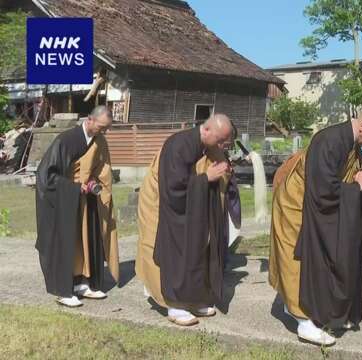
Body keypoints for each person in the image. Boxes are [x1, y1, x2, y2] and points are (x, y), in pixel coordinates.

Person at [269, 109, 362, 346]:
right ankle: (305, 322)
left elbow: (342, 175)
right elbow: (324, 191)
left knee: (314, 260)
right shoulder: (330, 140)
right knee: (298, 259)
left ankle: (292, 306)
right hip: (296, 205)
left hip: (311, 203)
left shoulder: (350, 141)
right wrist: (356, 186)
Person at [136, 114, 241, 326]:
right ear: (207, 130)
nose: (222, 146)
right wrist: (206, 179)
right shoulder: (178, 145)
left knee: (199, 245)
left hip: (189, 207)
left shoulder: (206, 146)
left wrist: (221, 174)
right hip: (164, 206)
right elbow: (175, 189)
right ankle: (174, 304)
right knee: (175, 251)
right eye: (220, 141)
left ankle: (193, 299)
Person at [35, 106, 119, 307]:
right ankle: (63, 290)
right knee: (66, 242)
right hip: (65, 198)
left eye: (107, 128)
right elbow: (46, 174)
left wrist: (94, 184)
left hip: (87, 199)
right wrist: (73, 187)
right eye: (102, 127)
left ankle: (82, 281)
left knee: (85, 242)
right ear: (89, 120)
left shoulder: (99, 141)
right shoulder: (66, 140)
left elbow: (102, 168)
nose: (104, 132)